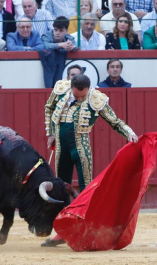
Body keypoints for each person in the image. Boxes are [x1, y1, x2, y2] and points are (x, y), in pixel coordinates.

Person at [42, 74, 138, 247]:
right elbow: (49, 108)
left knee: (87, 188)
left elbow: (114, 121)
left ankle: (88, 230)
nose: (79, 99)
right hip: (62, 148)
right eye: (76, 95)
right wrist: (50, 132)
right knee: (60, 187)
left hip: (81, 148)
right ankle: (63, 231)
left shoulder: (96, 98)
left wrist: (129, 133)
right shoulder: (61, 89)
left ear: (88, 90)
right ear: (71, 87)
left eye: (82, 96)